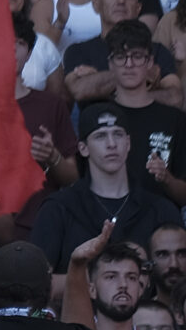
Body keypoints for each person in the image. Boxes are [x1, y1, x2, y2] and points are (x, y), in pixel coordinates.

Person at [29, 105, 184, 274]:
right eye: (100, 136)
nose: (111, 144)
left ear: (128, 143)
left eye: (118, 134)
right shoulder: (58, 208)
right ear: (83, 148)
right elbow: (38, 284)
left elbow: (178, 282)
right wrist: (95, 281)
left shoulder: (160, 210)